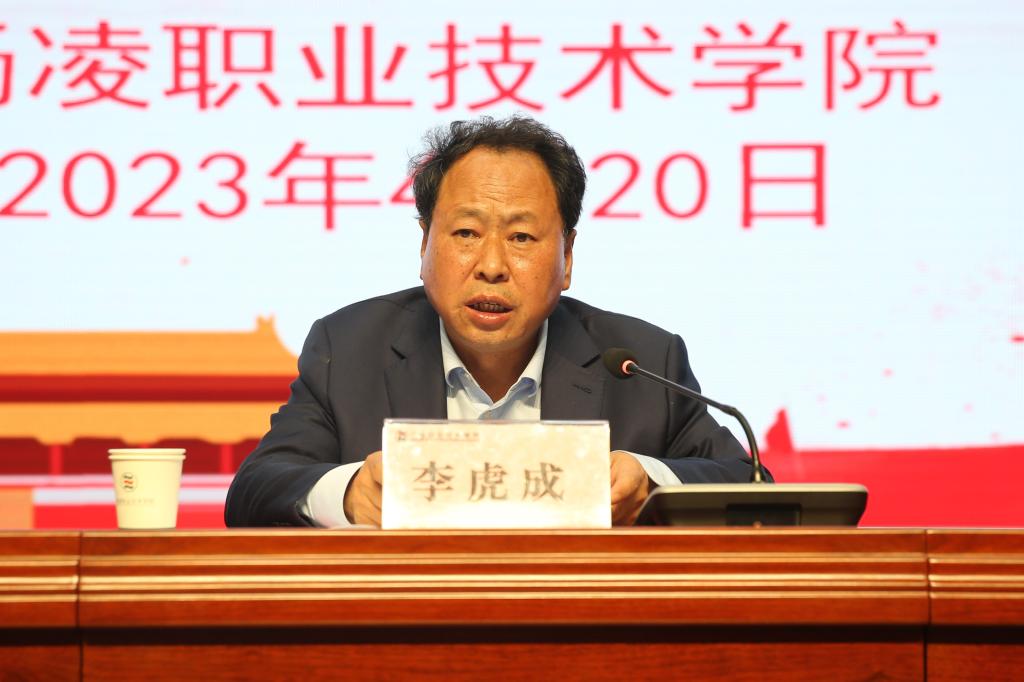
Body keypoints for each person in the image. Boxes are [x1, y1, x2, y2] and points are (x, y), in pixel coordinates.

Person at [224, 115, 760, 528]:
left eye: (522, 237)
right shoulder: (349, 348)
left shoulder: (639, 360)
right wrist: (349, 494)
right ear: (424, 244)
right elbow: (255, 491)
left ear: (567, 256)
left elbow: (751, 486)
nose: (492, 265)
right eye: (466, 233)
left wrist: (652, 485)